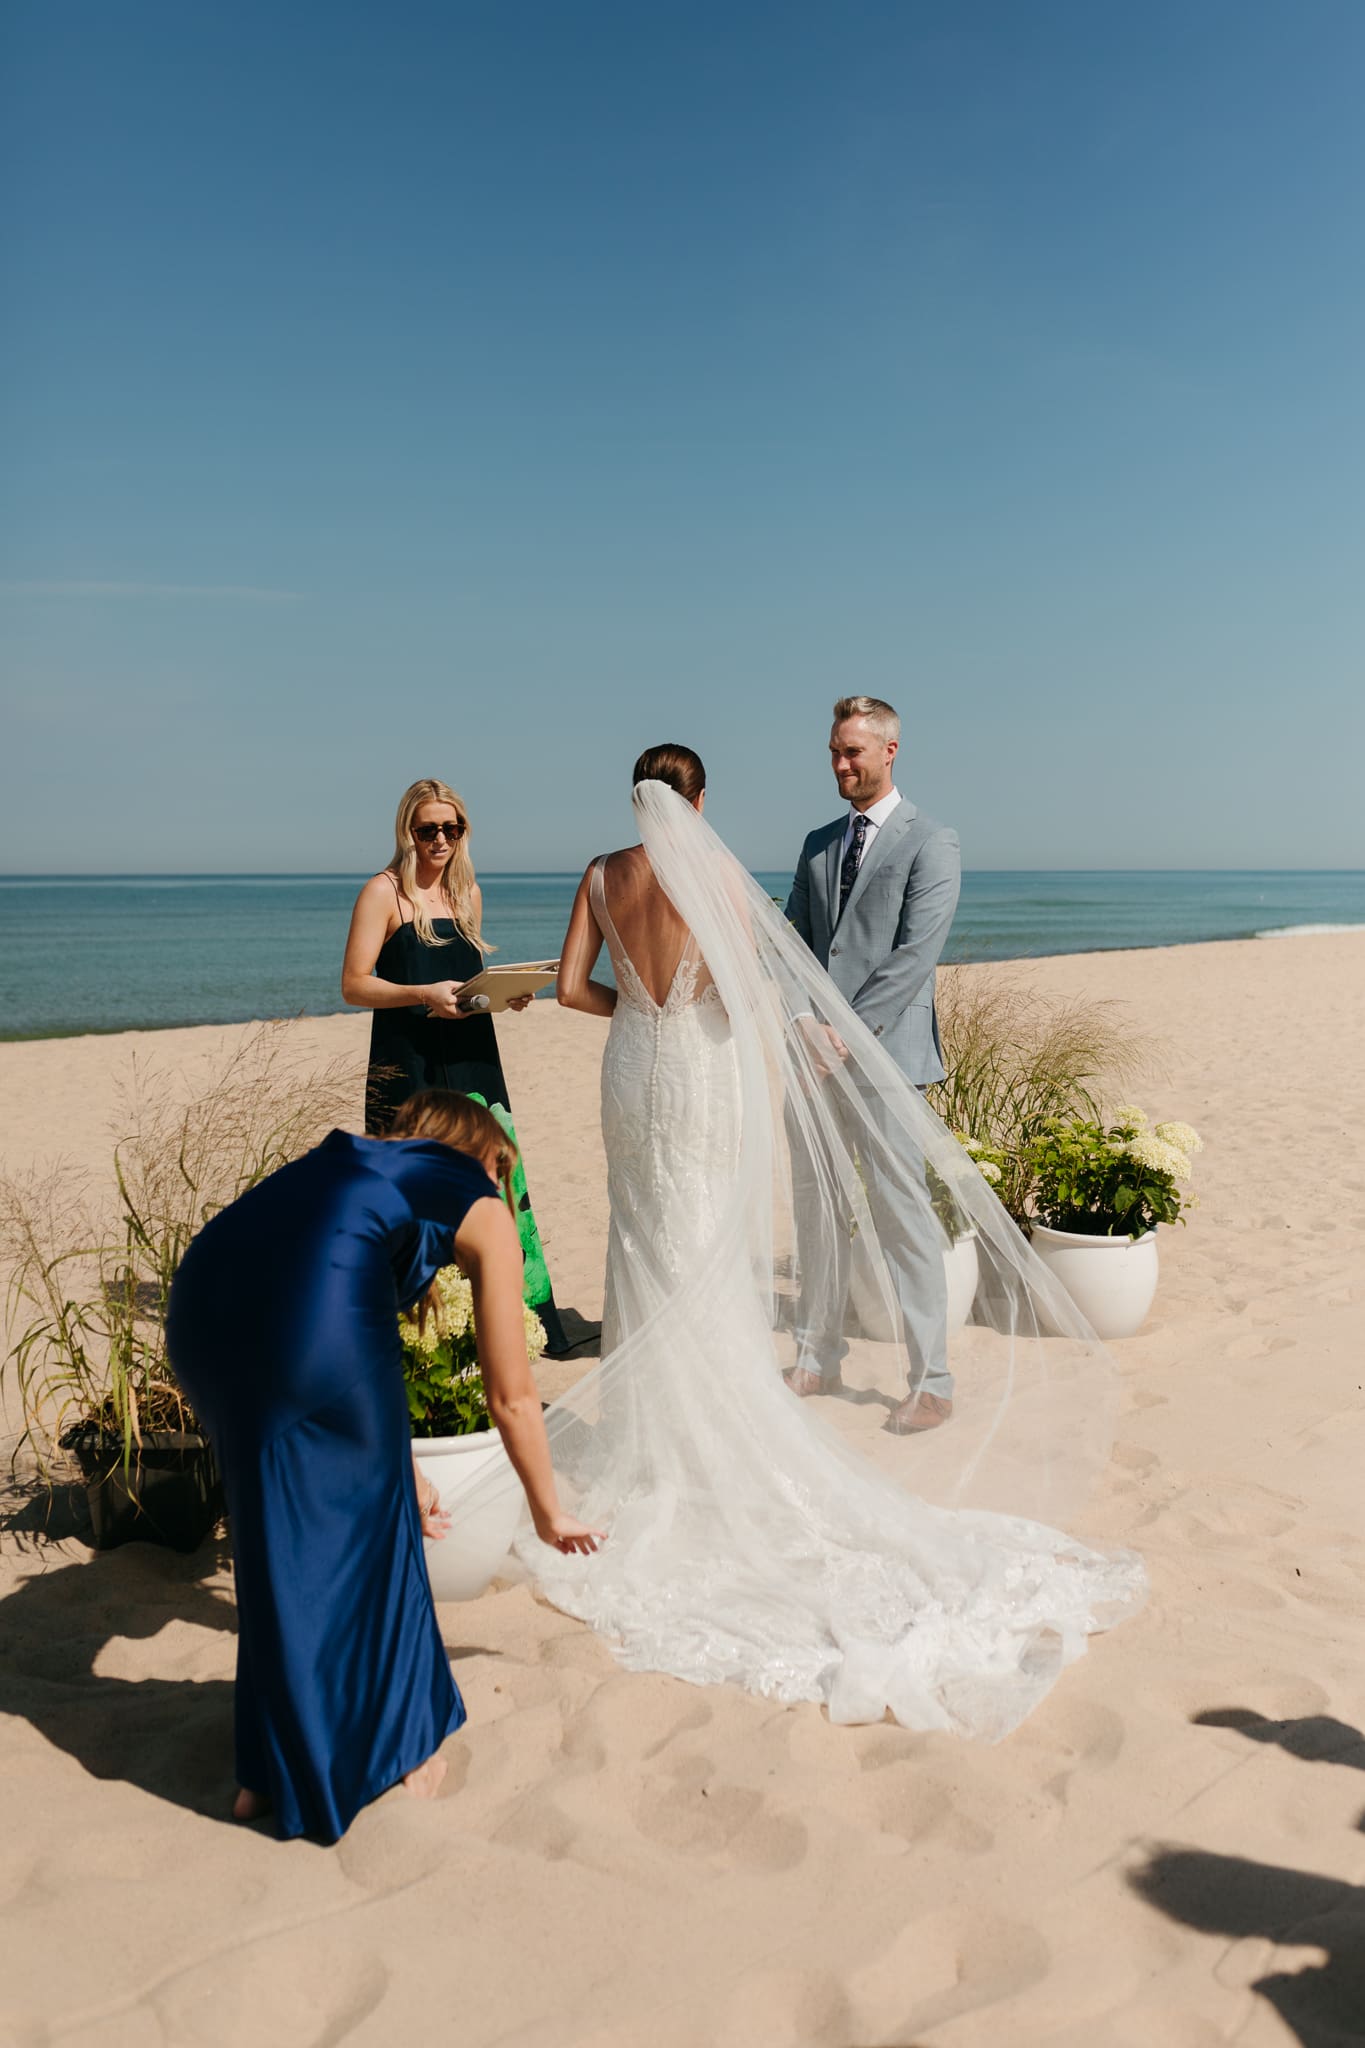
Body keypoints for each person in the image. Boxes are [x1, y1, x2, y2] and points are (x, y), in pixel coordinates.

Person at [456, 751, 1146, 1743]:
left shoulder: (603, 871)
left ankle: (660, 1440)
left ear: (638, 801)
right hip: (697, 1068)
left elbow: (571, 987)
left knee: (643, 1240)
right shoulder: (717, 876)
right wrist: (690, 1008)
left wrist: (640, 1009)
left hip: (632, 1071)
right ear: (699, 803)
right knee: (698, 1243)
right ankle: (711, 1422)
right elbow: (745, 999)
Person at [166, 1091, 600, 1843]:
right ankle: (403, 1748)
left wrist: (408, 1474)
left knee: (277, 1543)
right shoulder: (478, 1197)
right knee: (378, 1540)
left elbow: (320, 1296)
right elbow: (512, 1395)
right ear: (489, 1158)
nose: (509, 1196)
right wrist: (547, 1510)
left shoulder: (349, 1166)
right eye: (508, 1176)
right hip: (299, 1328)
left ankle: (260, 1776)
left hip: (199, 1314)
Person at [342, 777, 571, 1355]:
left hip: (474, 1063)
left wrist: (503, 995)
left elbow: (468, 987)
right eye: (428, 830)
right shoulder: (382, 893)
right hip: (408, 1065)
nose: (440, 840)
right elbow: (353, 985)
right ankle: (415, 1330)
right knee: (410, 1191)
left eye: (452, 828)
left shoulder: (468, 894)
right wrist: (421, 993)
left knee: (490, 1182)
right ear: (407, 831)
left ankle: (503, 1322)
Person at [785, 695, 962, 1432]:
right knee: (816, 1208)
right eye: (833, 750)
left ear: (890, 751)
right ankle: (816, 1357)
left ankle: (934, 1380)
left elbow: (913, 957)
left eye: (852, 751)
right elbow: (791, 942)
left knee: (900, 1214)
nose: (839, 764)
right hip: (811, 1054)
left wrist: (843, 1035)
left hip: (885, 1054)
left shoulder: (933, 842)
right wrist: (800, 1021)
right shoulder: (817, 842)